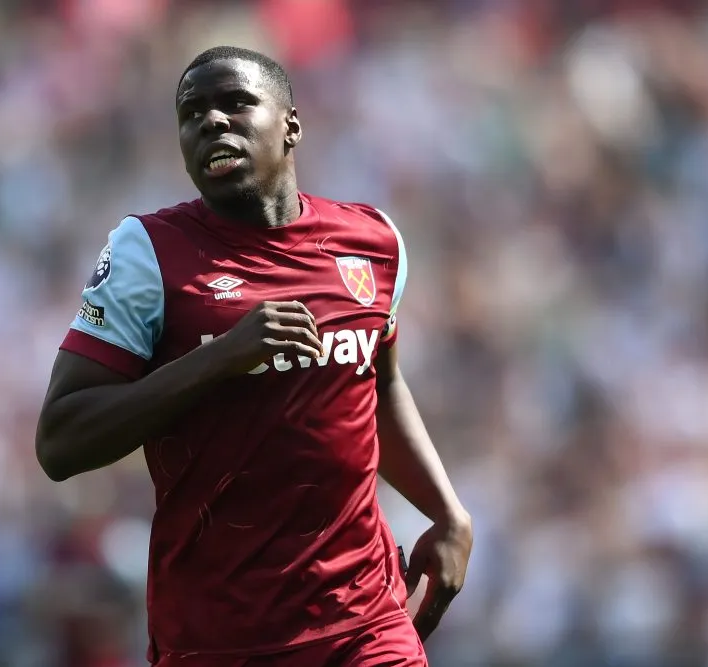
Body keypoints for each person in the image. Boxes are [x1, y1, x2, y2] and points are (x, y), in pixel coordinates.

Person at [35, 45, 473, 667]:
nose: (211, 122)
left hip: (365, 623)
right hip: (218, 638)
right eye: (192, 114)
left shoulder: (372, 241)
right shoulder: (149, 253)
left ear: (291, 124)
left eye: (235, 103)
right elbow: (60, 441)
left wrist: (447, 512)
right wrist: (219, 359)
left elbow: (377, 384)